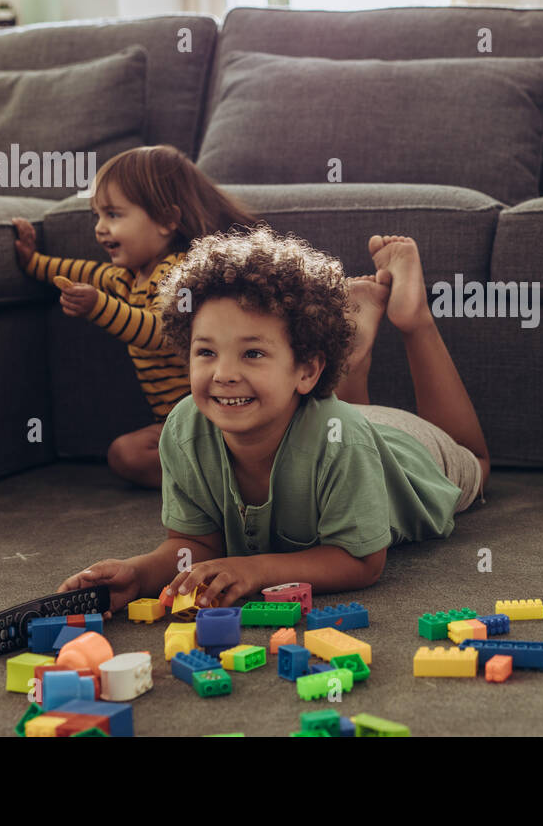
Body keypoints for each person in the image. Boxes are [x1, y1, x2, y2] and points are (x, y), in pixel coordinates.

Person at [55, 229, 489, 608]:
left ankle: (412, 319)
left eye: (253, 353)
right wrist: (139, 573)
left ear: (306, 369)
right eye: (206, 352)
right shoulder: (185, 429)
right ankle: (351, 358)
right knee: (340, 417)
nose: (223, 374)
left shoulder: (345, 442)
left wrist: (256, 570)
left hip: (403, 449)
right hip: (330, 419)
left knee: (477, 461)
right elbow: (195, 545)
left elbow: (360, 561)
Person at [12, 145, 257, 489]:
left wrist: (98, 307)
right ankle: (214, 483)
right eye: (97, 215)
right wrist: (32, 262)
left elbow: (161, 332)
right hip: (177, 424)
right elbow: (78, 270)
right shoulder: (126, 276)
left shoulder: (183, 273)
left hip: (220, 417)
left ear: (167, 220)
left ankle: (230, 477)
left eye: (113, 215)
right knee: (125, 454)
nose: (99, 229)